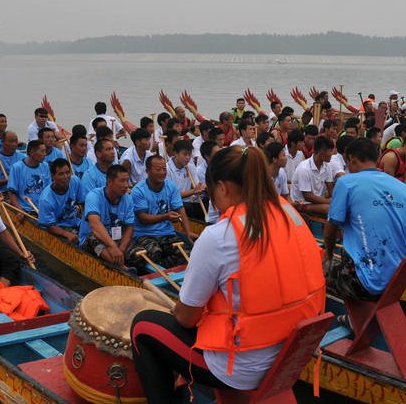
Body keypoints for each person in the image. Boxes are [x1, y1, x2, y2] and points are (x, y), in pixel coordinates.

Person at [130, 146, 325, 402]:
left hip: (242, 368)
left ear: (222, 188)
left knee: (143, 326)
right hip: (292, 353)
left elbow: (187, 319)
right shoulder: (291, 214)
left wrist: (179, 312)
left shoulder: (218, 236)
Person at [323, 138, 406, 299]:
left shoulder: (346, 182)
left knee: (316, 271)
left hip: (362, 283)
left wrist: (328, 255)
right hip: (398, 281)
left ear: (351, 159)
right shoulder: (405, 190)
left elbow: (330, 232)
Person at [130, 155, 194, 268]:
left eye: (164, 169)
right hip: (144, 234)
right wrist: (166, 216)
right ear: (148, 171)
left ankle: (168, 268)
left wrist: (188, 232)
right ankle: (164, 270)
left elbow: (181, 209)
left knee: (188, 253)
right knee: (155, 254)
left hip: (167, 233)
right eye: (158, 169)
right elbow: (143, 218)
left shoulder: (170, 186)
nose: (162, 172)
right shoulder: (138, 190)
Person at [79, 165, 135, 264]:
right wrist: (112, 246)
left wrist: (121, 249)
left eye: (127, 181)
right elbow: (94, 225)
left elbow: (129, 227)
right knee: (93, 237)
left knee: (138, 254)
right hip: (95, 240)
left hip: (115, 239)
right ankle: (123, 268)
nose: (126, 185)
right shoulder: (93, 196)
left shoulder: (128, 198)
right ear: (109, 181)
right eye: (122, 181)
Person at [37, 158, 83, 243]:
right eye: (61, 174)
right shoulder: (46, 199)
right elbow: (49, 226)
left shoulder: (75, 181)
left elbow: (82, 203)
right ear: (53, 176)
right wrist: (67, 234)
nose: (66, 177)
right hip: (60, 226)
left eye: (67, 172)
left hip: (76, 221)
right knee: (80, 240)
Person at [290, 135, 334, 214]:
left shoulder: (328, 165)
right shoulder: (304, 168)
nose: (332, 154)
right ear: (321, 151)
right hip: (303, 203)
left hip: (318, 202)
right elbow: (307, 196)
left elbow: (331, 189)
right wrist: (328, 201)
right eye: (330, 151)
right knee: (328, 208)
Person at [7, 140, 51, 213]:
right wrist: (20, 211)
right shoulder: (17, 167)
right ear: (32, 152)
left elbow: (49, 190)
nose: (45, 154)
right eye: (42, 151)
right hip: (25, 209)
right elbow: (11, 193)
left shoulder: (45, 165)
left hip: (42, 209)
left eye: (45, 151)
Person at [166, 140, 206, 219]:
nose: (188, 157)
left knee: (206, 203)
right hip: (173, 204)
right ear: (176, 153)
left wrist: (201, 187)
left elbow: (196, 185)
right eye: (184, 154)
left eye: (189, 154)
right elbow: (173, 196)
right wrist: (193, 191)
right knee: (188, 208)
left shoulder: (190, 167)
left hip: (189, 202)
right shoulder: (166, 169)